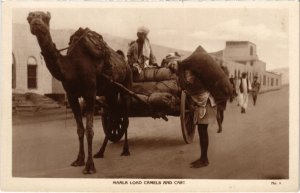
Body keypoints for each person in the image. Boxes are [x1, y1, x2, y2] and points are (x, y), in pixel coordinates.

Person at [180, 70, 217, 168]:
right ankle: (203, 158)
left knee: (203, 131)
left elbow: (194, 90)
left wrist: (188, 89)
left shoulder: (198, 80)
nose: (188, 77)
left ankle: (204, 160)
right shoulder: (197, 78)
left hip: (206, 103)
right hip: (203, 104)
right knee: (202, 132)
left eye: (189, 75)